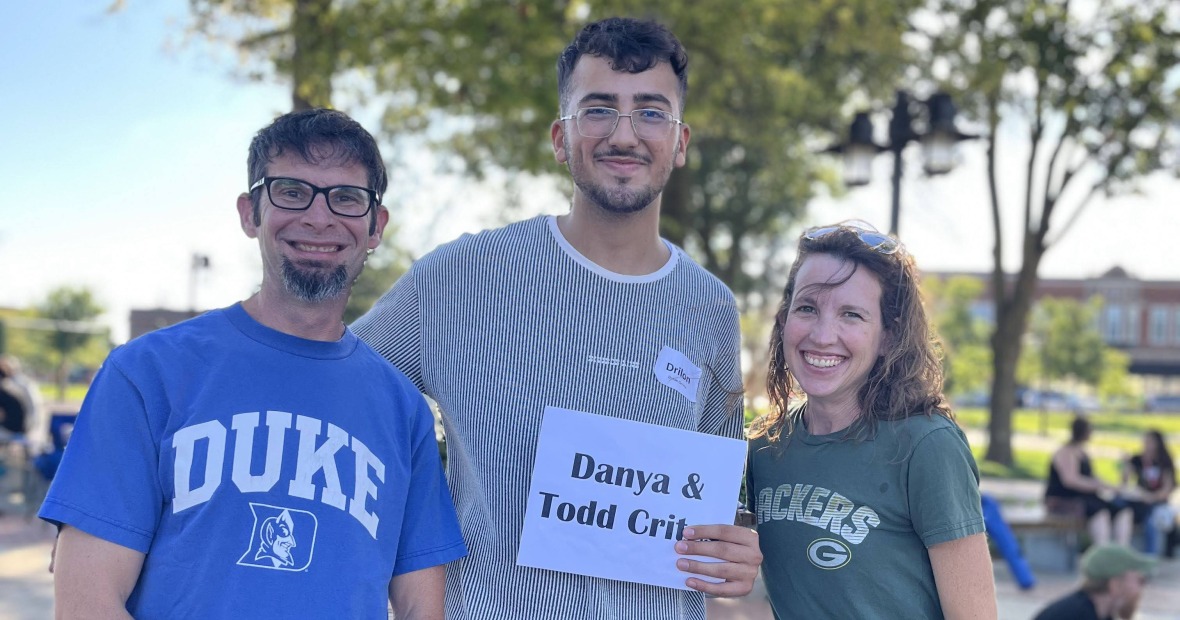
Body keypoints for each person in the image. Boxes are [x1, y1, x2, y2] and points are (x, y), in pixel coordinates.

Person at [353, 16, 760, 619]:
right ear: (559, 138)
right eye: (598, 109)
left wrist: (734, 552)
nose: (624, 134)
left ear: (680, 142)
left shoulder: (712, 309)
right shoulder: (460, 278)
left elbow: (714, 509)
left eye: (651, 112)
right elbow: (340, 399)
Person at [37, 109, 466, 619]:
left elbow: (422, 609)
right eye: (291, 191)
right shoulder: (146, 374)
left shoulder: (402, 409)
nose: (319, 217)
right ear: (250, 213)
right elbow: (87, 602)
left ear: (376, 226)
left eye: (347, 198)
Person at [746, 221, 997, 618]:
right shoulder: (763, 451)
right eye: (807, 308)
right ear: (784, 320)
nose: (823, 335)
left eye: (851, 315)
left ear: (888, 338)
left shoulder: (926, 446)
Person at [1046, 415, 1134, 545]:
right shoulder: (1066, 452)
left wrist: (1111, 486)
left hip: (1085, 498)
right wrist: (1096, 486)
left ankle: (1121, 550)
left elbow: (1092, 477)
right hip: (1065, 499)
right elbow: (1070, 480)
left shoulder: (1082, 452)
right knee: (1100, 512)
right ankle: (1102, 551)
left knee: (1122, 510)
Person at [1033, 543, 1155, 620]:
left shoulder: (1097, 612)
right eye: (1140, 581)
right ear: (1115, 585)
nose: (1141, 590)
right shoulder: (1077, 614)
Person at [1123, 429, 1177, 557]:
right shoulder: (1137, 459)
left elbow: (1168, 488)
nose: (1146, 444)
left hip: (1157, 502)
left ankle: (1150, 557)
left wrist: (1152, 497)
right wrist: (1125, 465)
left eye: (1150, 441)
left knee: (1151, 522)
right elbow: (1124, 482)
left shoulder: (1164, 461)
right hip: (1139, 500)